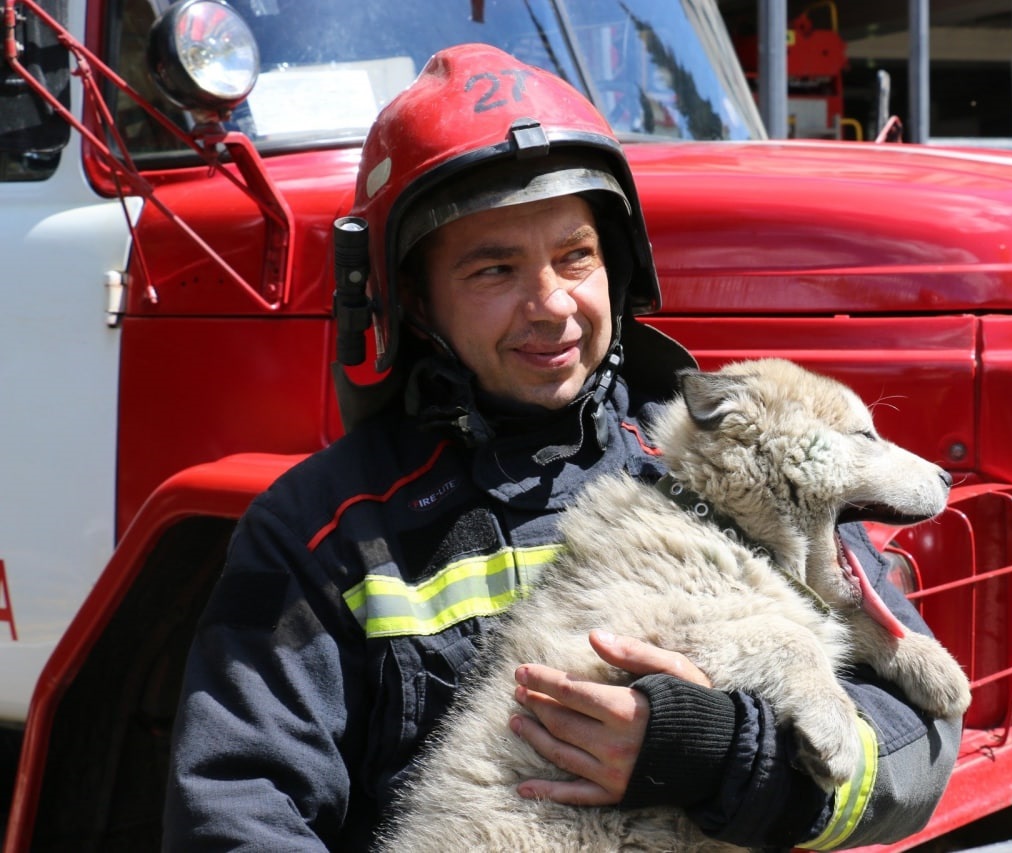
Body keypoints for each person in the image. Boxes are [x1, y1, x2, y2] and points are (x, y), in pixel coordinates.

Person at [162, 43, 961, 851]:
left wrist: (725, 757)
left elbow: (919, 749)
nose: (550, 305)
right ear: (414, 299)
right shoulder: (321, 533)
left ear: (617, 265)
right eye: (494, 269)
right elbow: (236, 813)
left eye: (575, 256)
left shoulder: (735, 463)